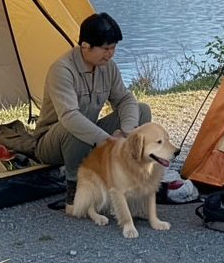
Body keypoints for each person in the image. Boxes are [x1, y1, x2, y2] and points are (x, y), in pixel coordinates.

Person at [33, 12, 151, 208]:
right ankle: (75, 190)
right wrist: (108, 141)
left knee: (141, 110)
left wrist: (127, 131)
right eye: (105, 48)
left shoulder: (108, 66)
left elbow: (124, 99)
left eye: (113, 48)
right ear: (85, 46)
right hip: (53, 142)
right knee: (73, 124)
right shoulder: (62, 70)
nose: (110, 54)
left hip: (88, 135)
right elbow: (69, 117)